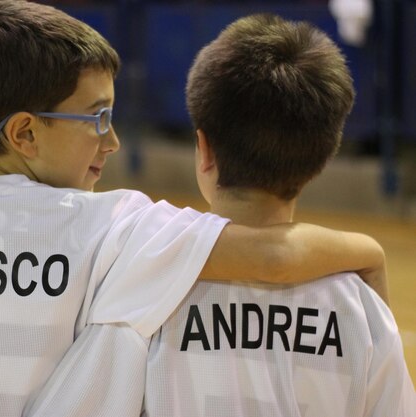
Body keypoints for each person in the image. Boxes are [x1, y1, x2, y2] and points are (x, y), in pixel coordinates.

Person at [0, 3, 388, 416]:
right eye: (95, 118)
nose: (111, 141)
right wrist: (369, 252)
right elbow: (268, 255)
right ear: (24, 132)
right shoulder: (108, 229)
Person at [25, 13, 414, 417]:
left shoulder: (139, 278)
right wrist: (369, 252)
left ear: (204, 150)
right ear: (321, 158)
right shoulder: (364, 314)